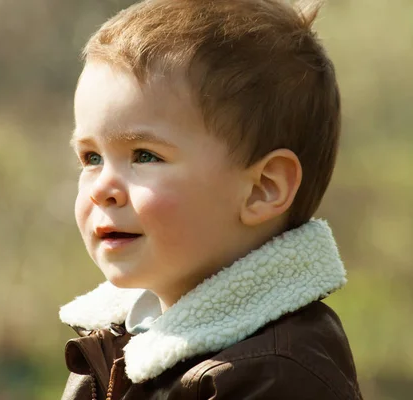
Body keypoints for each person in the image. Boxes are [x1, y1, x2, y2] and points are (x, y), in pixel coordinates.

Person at [60, 0, 362, 398]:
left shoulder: (275, 376)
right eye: (91, 158)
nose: (101, 188)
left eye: (145, 156)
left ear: (262, 189)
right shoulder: (114, 341)